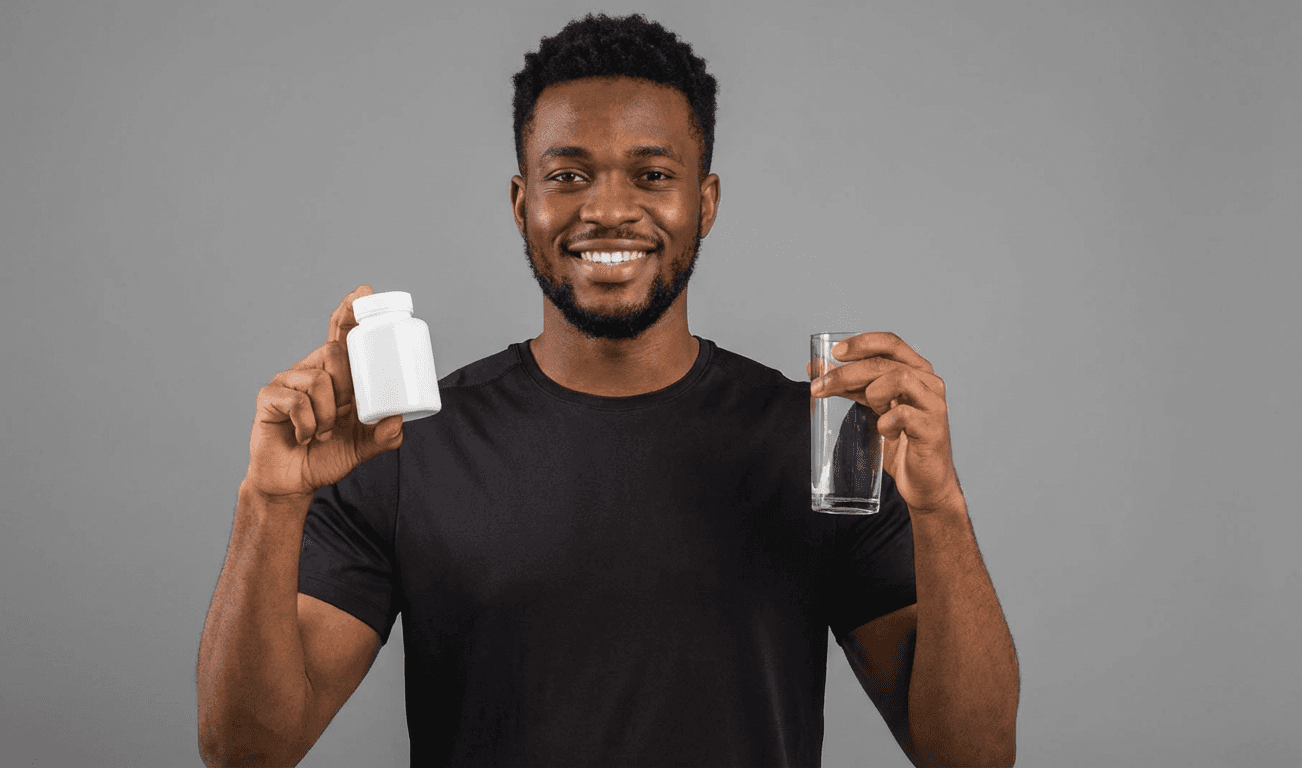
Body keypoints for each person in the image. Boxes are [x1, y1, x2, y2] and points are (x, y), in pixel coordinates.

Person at [197, 13, 1019, 768]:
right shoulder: (407, 445)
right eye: (568, 176)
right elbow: (245, 751)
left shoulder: (818, 447)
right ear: (523, 206)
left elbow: (973, 755)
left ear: (706, 202)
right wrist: (266, 504)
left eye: (653, 174)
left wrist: (941, 509)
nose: (610, 209)